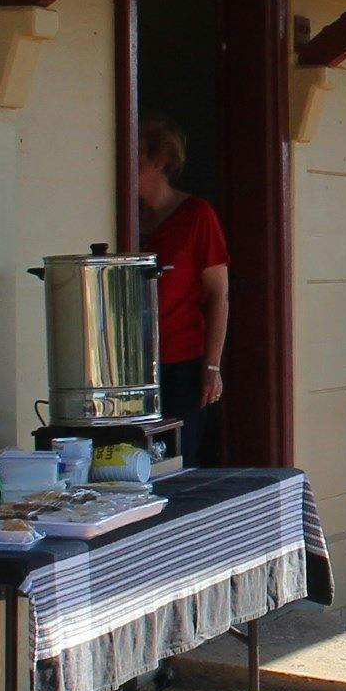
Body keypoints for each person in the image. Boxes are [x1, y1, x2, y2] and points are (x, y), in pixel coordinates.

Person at [138, 120, 229, 468]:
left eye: (137, 150)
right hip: (132, 366)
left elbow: (219, 294)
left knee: (177, 461)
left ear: (158, 161)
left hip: (181, 362)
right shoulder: (126, 214)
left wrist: (211, 366)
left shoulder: (197, 216)